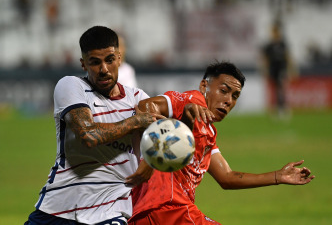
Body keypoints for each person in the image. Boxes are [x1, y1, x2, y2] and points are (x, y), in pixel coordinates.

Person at [127, 61, 315, 225]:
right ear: (204, 86)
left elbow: (227, 177)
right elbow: (145, 106)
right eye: (223, 91)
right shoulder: (191, 100)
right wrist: (157, 149)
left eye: (235, 96)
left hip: (156, 213)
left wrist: (278, 176)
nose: (228, 101)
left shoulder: (208, 132)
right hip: (167, 209)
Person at [24, 26, 164, 225]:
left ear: (119, 58)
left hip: (110, 213)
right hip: (58, 209)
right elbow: (89, 135)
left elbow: (160, 137)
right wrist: (135, 121)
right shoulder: (71, 86)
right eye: (95, 63)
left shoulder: (139, 99)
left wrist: (150, 162)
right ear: (83, 64)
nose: (104, 69)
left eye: (109, 60)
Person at [260, 19, 298, 119]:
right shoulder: (269, 46)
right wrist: (265, 69)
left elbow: (288, 57)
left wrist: (291, 68)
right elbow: (265, 59)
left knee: (281, 88)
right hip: (273, 69)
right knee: (275, 89)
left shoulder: (282, 44)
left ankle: (283, 108)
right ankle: (276, 108)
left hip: (282, 68)